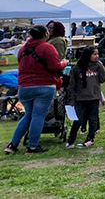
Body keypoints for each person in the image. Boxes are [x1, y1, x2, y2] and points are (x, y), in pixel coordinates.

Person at [4, 25, 67, 154]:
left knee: (28, 115)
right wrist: (64, 63)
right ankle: (32, 146)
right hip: (43, 85)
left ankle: (12, 144)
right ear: (45, 35)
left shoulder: (22, 49)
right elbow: (55, 67)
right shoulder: (47, 48)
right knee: (38, 115)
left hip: (24, 87)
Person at [66, 46, 105, 148]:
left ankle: (90, 138)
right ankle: (71, 140)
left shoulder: (97, 66)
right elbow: (72, 85)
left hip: (94, 97)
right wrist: (71, 99)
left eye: (97, 54)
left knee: (93, 119)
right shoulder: (77, 68)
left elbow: (103, 79)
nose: (96, 56)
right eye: (94, 54)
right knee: (78, 119)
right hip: (80, 98)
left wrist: (100, 65)